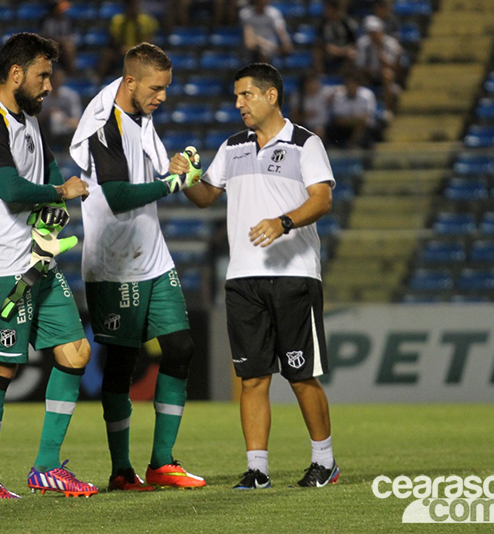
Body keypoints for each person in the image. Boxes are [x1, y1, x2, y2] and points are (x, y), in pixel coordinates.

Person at [183, 63, 339, 490]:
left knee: (301, 374)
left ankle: (324, 462)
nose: (238, 105)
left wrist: (283, 222)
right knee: (252, 378)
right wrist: (186, 178)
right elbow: (204, 196)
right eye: (236, 97)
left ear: (271, 96)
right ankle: (257, 470)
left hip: (294, 274)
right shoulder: (232, 147)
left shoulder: (306, 143)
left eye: (245, 95)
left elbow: (322, 199)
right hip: (242, 278)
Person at [0, 32, 95, 500]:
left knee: (76, 352)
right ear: (15, 74)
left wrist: (55, 210)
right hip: (0, 266)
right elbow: (12, 190)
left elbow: (49, 168)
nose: (48, 86)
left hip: (38, 261)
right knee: (0, 367)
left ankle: (46, 467)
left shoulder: (29, 120)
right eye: (42, 75)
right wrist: (59, 195)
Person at [69, 42, 206, 491]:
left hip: (153, 255)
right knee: (122, 364)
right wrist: (170, 183)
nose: (163, 96)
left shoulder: (140, 112)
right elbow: (116, 194)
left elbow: (152, 166)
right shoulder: (103, 124)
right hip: (114, 264)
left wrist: (173, 165)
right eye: (157, 88)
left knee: (181, 348)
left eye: (166, 88)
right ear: (130, 82)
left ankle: (162, 462)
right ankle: (122, 470)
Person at [96, 0, 159, 82]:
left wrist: (133, 50)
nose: (134, 9)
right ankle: (98, 81)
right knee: (107, 55)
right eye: (131, 6)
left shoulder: (146, 20)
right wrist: (122, 49)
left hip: (140, 52)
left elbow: (149, 41)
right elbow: (114, 41)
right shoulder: (118, 21)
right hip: (121, 51)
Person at [355, 14, 402, 112]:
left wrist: (380, 52)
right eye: (371, 32)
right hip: (368, 75)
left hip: (384, 75)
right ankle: (361, 110)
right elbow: (360, 65)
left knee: (387, 75)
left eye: (375, 32)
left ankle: (387, 109)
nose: (373, 35)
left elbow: (391, 65)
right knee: (356, 76)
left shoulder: (390, 43)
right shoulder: (362, 44)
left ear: (381, 31)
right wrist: (370, 71)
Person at [326, 69, 377, 148]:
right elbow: (338, 119)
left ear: (358, 84)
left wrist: (352, 120)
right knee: (331, 128)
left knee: (365, 128)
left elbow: (366, 117)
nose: (350, 86)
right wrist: (355, 120)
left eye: (353, 83)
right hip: (344, 127)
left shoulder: (367, 95)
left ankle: (352, 146)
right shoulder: (339, 96)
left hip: (363, 127)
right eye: (348, 84)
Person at [239, 0, 293, 64]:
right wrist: (263, 44)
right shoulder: (246, 14)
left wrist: (286, 43)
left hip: (271, 46)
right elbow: (248, 37)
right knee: (255, 45)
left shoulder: (274, 13)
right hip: (255, 45)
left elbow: (280, 30)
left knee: (268, 51)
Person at [40, 66, 82, 145]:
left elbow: (76, 121)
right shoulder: (42, 97)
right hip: (47, 130)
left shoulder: (71, 96)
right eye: (55, 78)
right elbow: (36, 120)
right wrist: (48, 113)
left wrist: (62, 118)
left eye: (60, 78)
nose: (57, 81)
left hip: (67, 130)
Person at [314, 0, 358, 74]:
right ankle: (320, 76)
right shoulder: (323, 23)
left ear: (335, 10)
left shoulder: (346, 22)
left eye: (328, 9)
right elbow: (320, 40)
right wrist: (330, 48)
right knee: (317, 51)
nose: (326, 12)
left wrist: (344, 50)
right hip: (330, 50)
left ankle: (343, 77)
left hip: (345, 49)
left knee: (352, 54)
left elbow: (354, 41)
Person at [40, 0, 78, 75]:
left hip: (65, 46)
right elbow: (44, 36)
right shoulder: (46, 20)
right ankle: (72, 72)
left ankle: (72, 72)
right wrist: (60, 40)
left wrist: (65, 41)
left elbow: (74, 35)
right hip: (50, 46)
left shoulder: (68, 20)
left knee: (69, 47)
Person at [289, 73, 332, 139]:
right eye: (310, 83)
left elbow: (340, 91)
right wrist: (305, 115)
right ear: (305, 84)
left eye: (315, 82)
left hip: (325, 126)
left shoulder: (324, 93)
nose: (314, 85)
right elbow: (294, 118)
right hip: (305, 127)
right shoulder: (298, 98)